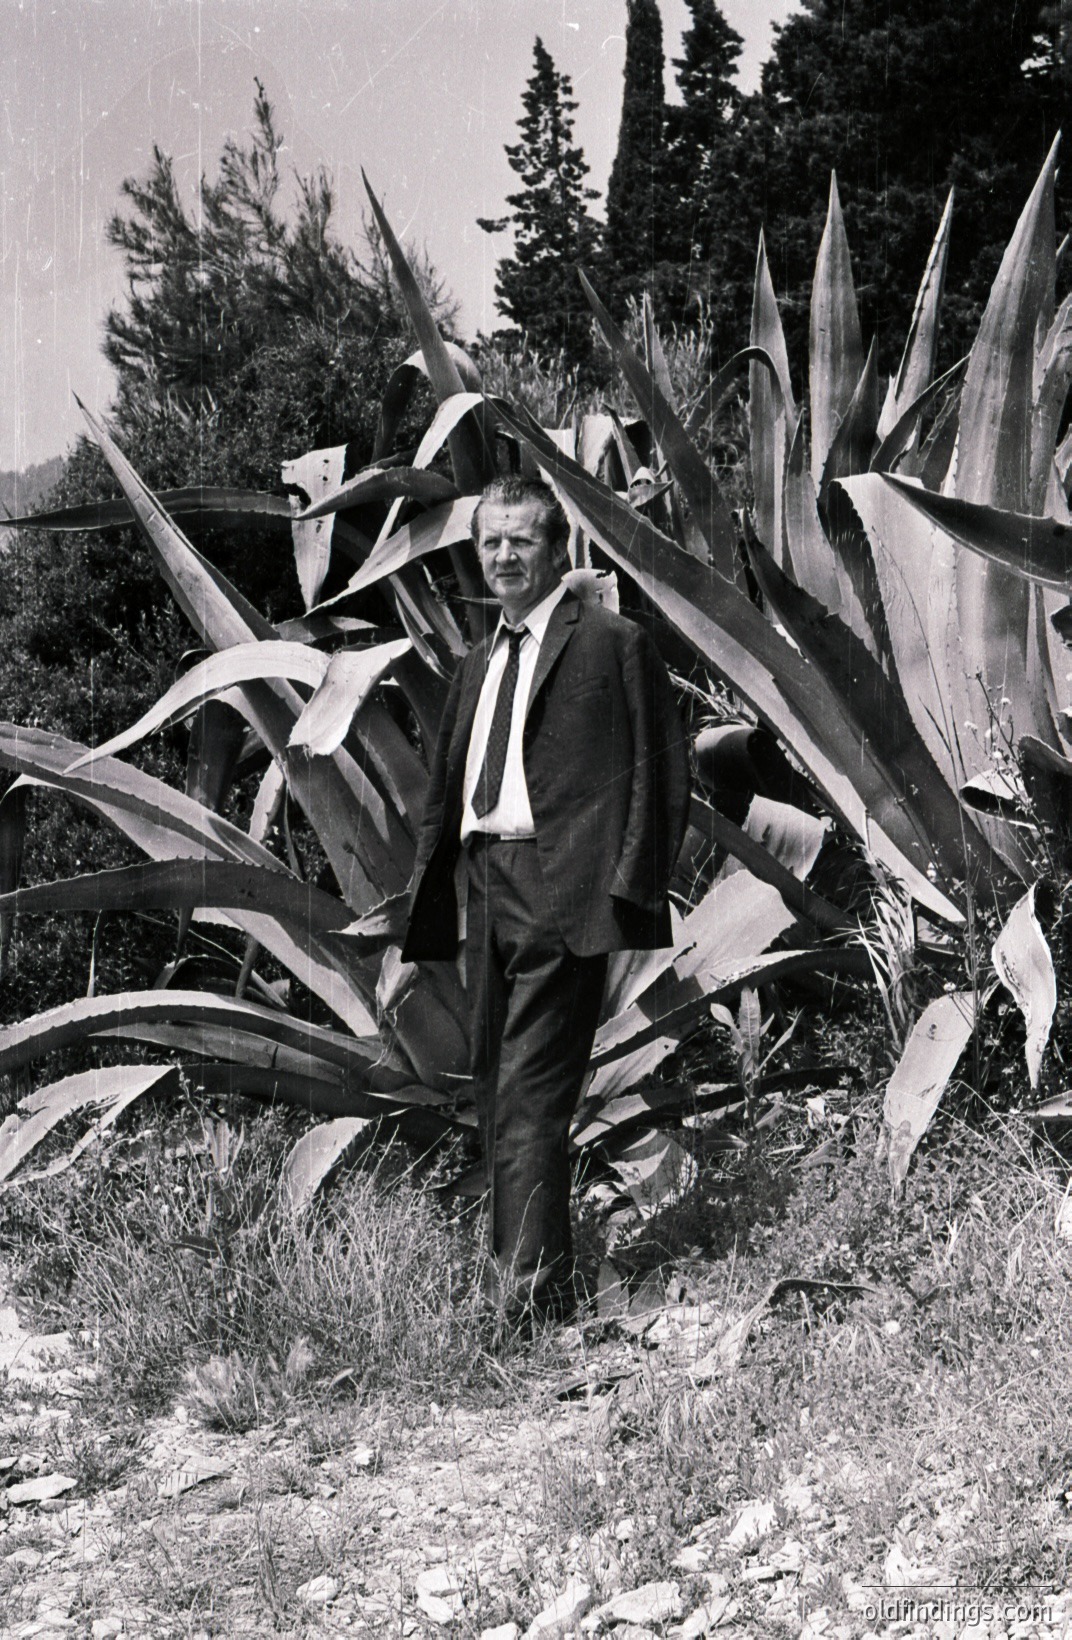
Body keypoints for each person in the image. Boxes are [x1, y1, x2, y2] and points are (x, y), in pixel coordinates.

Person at [401, 475, 690, 1323]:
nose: (503, 555)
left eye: (520, 539)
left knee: (529, 1091)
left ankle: (518, 1306)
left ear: (555, 551)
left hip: (562, 891)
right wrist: (440, 894)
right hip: (487, 888)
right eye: (491, 541)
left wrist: (623, 887)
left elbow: (662, 770)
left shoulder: (609, 642)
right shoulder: (475, 664)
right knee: (499, 1089)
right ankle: (546, 1285)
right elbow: (446, 794)